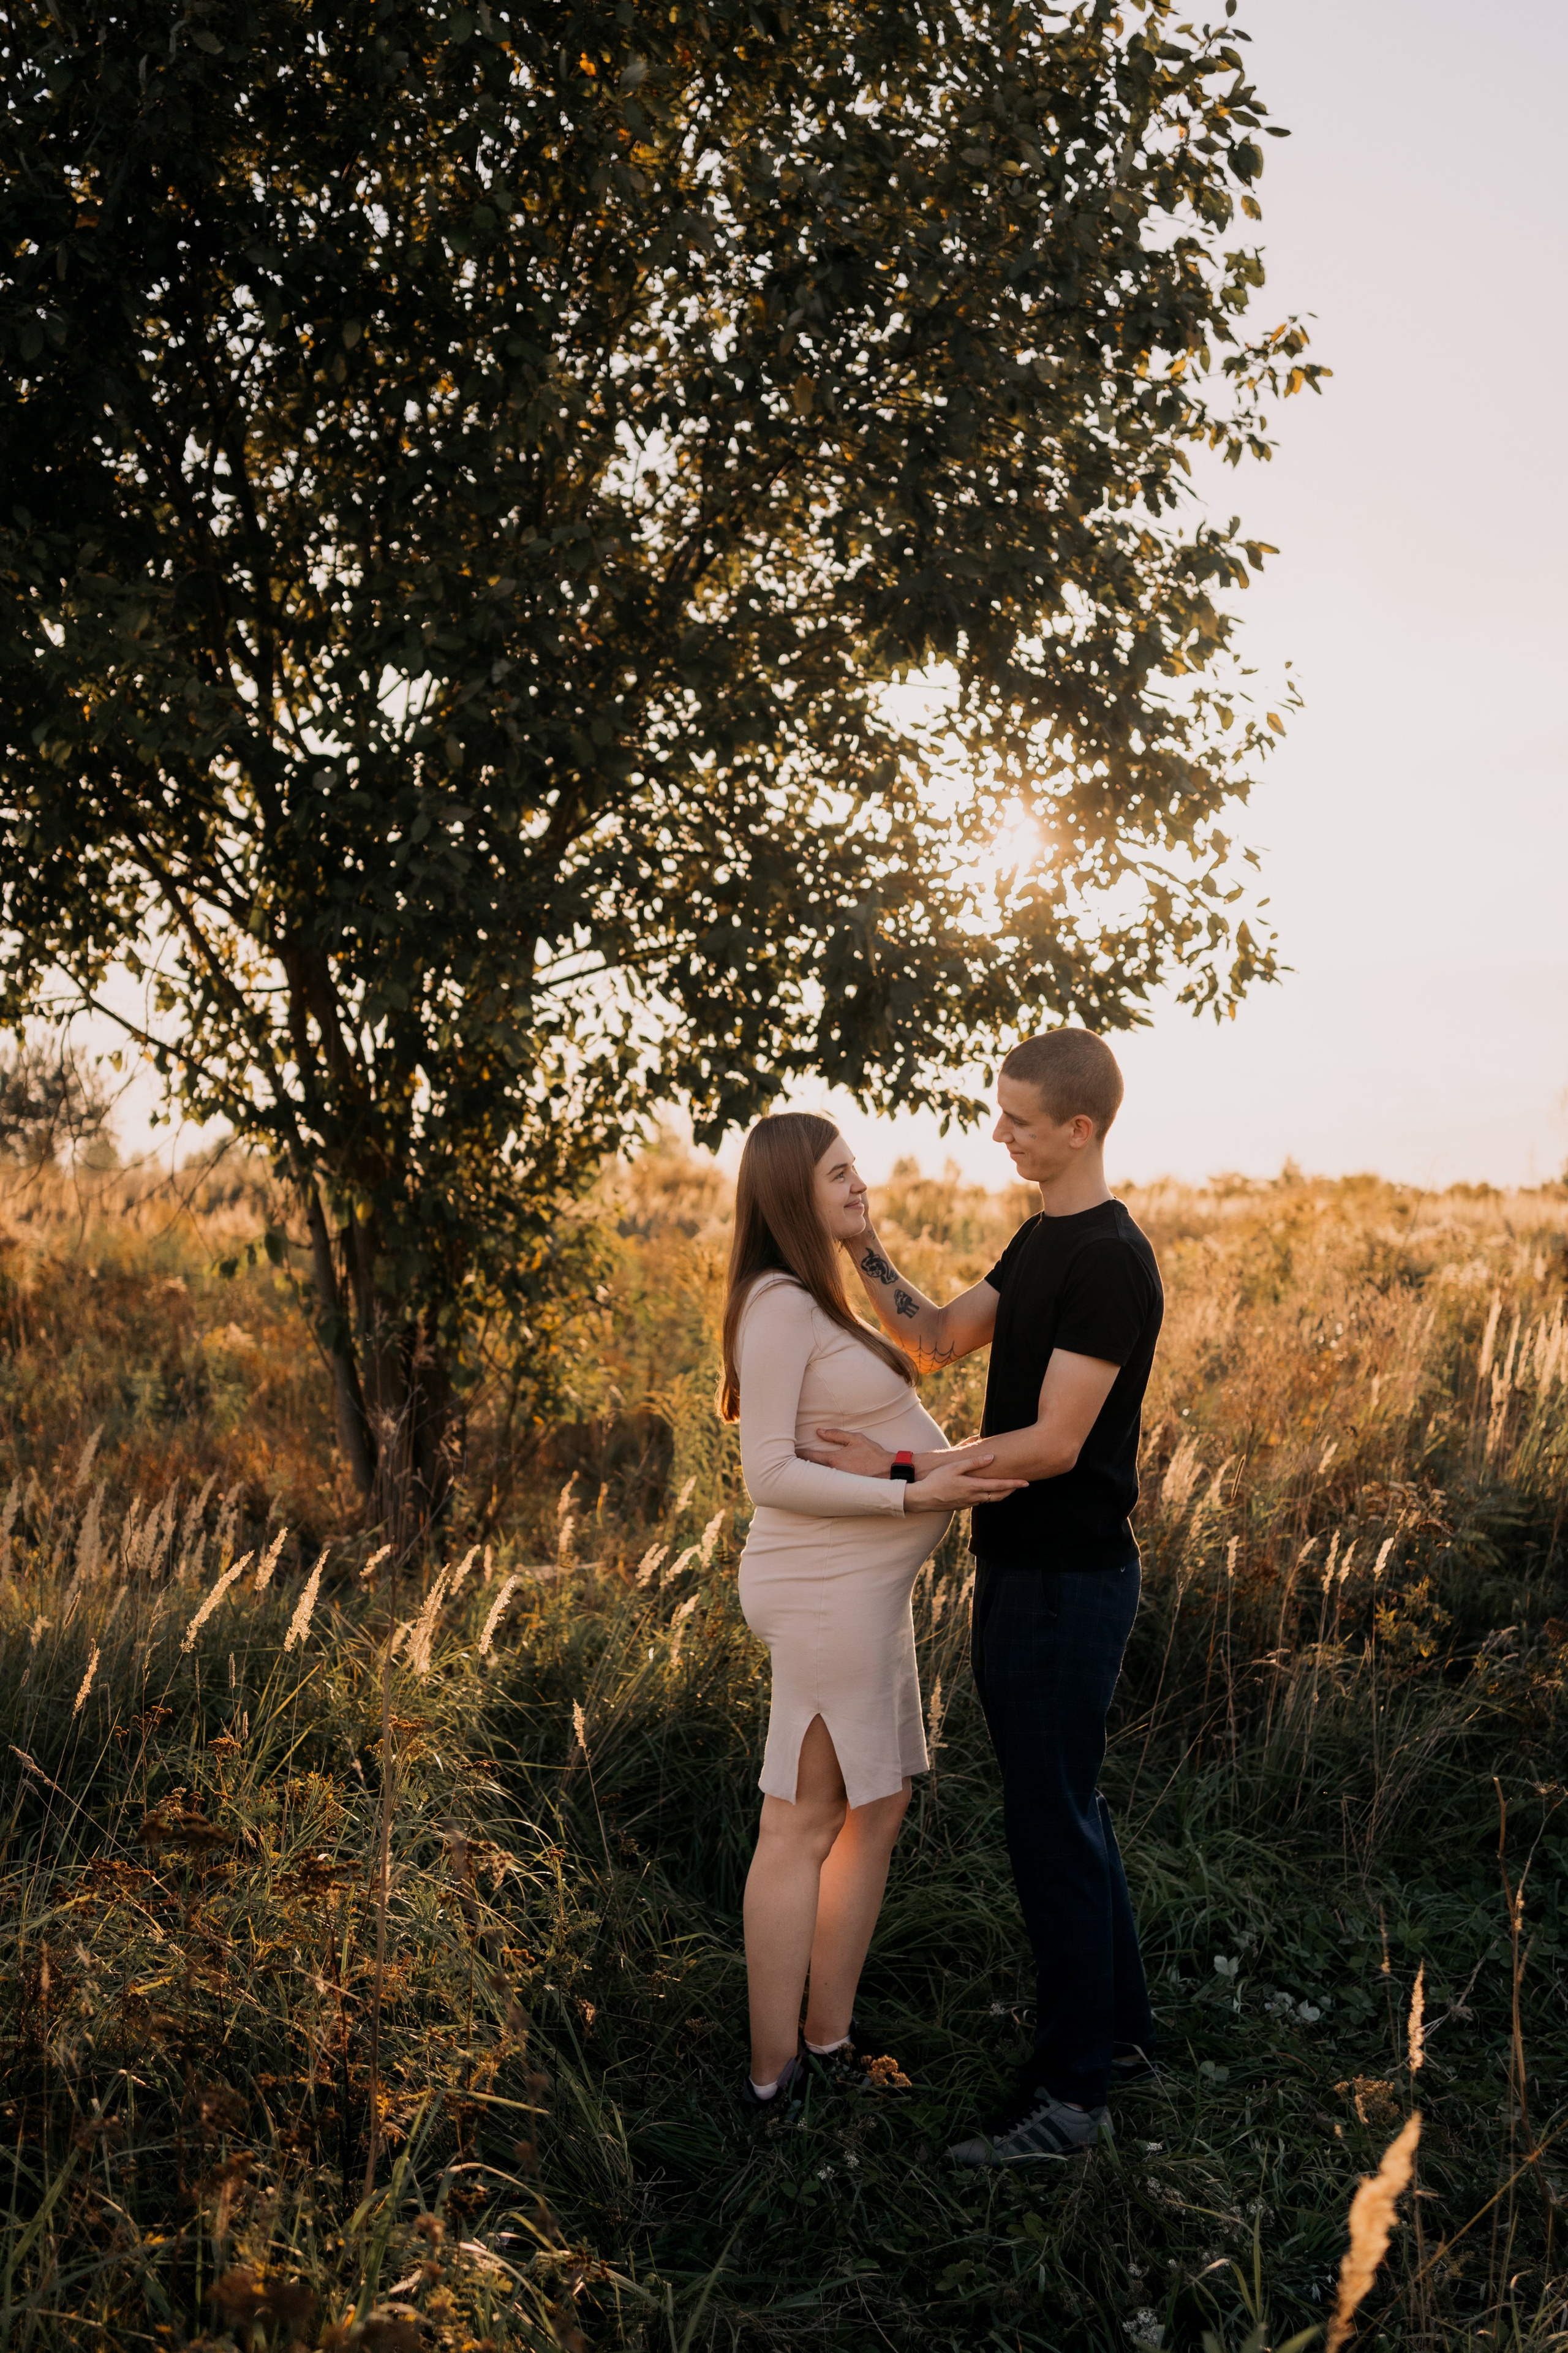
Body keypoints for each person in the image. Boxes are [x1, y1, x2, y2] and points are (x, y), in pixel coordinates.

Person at [799, 1029, 1164, 2162]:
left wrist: (895, 1473)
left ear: (1078, 1129)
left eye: (1014, 1118)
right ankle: (1120, 2036)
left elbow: (1055, 1445)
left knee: (1049, 1823)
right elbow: (942, 1337)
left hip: (1067, 1583)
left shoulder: (1109, 1257)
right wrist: (863, 1249)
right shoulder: (1046, 1234)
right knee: (1070, 1807)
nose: (995, 1132)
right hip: (1025, 1573)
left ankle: (1069, 2103)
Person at [721, 1111, 1025, 2110]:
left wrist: (935, 1468)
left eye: (858, 1167)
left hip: (863, 1587)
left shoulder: (819, 1296)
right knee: (799, 1819)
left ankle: (830, 2036)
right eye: (837, 1174)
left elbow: (914, 1381)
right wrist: (910, 1494)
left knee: (878, 1804)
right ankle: (774, 2080)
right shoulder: (773, 1305)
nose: (861, 1184)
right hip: (819, 1586)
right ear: (786, 1195)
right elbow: (768, 1472)